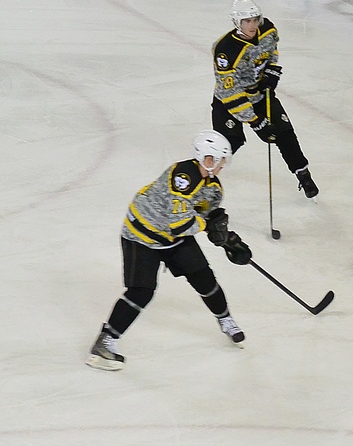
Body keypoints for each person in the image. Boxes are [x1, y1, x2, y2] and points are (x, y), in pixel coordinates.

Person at [86, 131, 253, 371]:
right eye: (220, 160)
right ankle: (105, 342)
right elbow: (181, 223)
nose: (223, 165)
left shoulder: (214, 188)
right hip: (141, 236)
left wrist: (228, 240)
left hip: (172, 238)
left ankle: (225, 319)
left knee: (204, 278)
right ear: (208, 159)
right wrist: (208, 226)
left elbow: (204, 215)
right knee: (141, 292)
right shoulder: (183, 176)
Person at [212, 0, 319, 199]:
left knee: (284, 133)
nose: (252, 25)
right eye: (247, 21)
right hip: (230, 101)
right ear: (237, 22)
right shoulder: (225, 50)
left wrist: (272, 71)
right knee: (225, 144)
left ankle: (303, 174)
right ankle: (204, 179)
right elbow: (230, 92)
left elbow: (271, 53)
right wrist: (255, 121)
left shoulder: (268, 30)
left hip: (260, 94)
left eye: (254, 19)